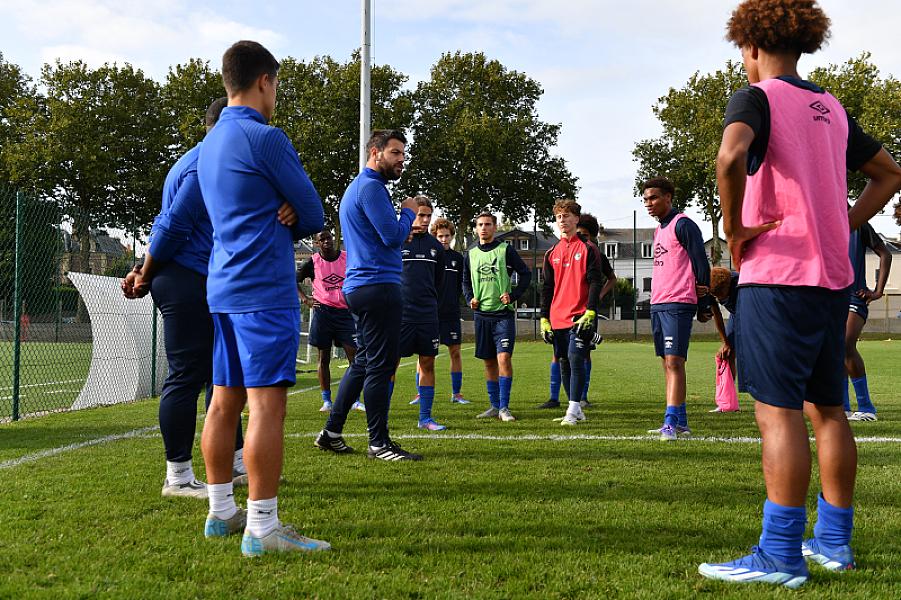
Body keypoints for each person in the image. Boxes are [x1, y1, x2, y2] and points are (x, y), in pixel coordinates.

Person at [698, 0, 901, 587]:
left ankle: (780, 553)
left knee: (778, 414)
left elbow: (730, 155)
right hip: (832, 284)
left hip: (777, 280)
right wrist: (843, 223)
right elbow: (889, 174)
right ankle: (835, 543)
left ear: (752, 47)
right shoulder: (831, 107)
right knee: (829, 412)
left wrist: (733, 229)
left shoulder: (755, 98)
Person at [196, 40, 328, 557]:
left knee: (222, 403)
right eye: (277, 85)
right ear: (264, 81)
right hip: (262, 290)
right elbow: (314, 213)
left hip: (221, 286)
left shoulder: (205, 147)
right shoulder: (266, 138)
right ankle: (263, 527)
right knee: (266, 408)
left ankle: (219, 511)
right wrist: (291, 208)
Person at [121, 98, 251, 499]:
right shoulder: (201, 165)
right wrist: (147, 270)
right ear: (221, 125)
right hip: (185, 279)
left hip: (198, 278)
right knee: (186, 376)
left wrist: (146, 269)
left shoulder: (200, 160)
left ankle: (236, 462)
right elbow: (173, 225)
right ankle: (177, 477)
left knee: (221, 373)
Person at [316, 129, 422, 461]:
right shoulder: (371, 188)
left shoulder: (358, 188)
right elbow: (392, 237)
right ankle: (379, 443)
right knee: (380, 366)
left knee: (363, 362)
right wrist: (408, 212)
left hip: (363, 285)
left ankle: (331, 433)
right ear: (375, 153)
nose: (401, 159)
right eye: (395, 153)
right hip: (377, 286)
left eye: (403, 153)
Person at [644, 176, 711, 441]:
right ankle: (680, 422)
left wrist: (704, 303)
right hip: (658, 302)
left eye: (654, 198)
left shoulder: (683, 224)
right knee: (666, 362)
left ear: (669, 197)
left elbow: (700, 264)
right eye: (646, 199)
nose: (649, 204)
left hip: (678, 301)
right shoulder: (659, 230)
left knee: (675, 361)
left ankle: (670, 423)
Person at [462, 211, 531, 422]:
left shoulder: (505, 250)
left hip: (503, 316)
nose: (484, 228)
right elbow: (465, 281)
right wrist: (469, 298)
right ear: (476, 228)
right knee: (489, 362)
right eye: (480, 224)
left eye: (488, 224)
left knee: (504, 358)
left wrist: (513, 295)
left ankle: (504, 407)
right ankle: (494, 406)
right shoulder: (471, 254)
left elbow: (526, 274)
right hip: (482, 316)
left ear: (495, 227)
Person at [539, 200, 604, 425]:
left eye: (567, 216)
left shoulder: (588, 248)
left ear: (576, 219)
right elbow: (547, 288)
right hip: (557, 318)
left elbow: (596, 281)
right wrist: (544, 318)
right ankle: (575, 408)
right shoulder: (551, 253)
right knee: (564, 362)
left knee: (577, 359)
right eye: (559, 217)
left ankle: (572, 411)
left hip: (580, 315)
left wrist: (591, 311)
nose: (562, 220)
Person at [296, 229, 363, 415]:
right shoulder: (312, 262)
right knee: (323, 358)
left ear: (333, 239)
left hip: (345, 313)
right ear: (316, 244)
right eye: (322, 239)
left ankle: (355, 400)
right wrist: (306, 299)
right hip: (323, 313)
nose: (326, 241)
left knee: (355, 359)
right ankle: (327, 400)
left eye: (328, 238)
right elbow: (294, 280)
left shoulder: (347, 257)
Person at [398, 196, 447, 430]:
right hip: (400, 315)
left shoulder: (436, 247)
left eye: (428, 215)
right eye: (421, 215)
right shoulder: (397, 242)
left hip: (427, 315)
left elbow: (438, 283)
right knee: (389, 365)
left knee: (427, 364)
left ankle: (425, 418)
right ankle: (381, 420)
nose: (425, 220)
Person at [843, 211, 892, 421]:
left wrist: (877, 291)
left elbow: (885, 253)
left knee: (844, 344)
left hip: (855, 297)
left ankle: (866, 407)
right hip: (829, 298)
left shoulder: (859, 223)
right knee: (833, 351)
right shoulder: (819, 222)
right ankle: (842, 407)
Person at [432, 217, 468, 404]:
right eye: (440, 236)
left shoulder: (458, 259)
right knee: (426, 354)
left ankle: (456, 394)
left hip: (451, 314)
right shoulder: (430, 257)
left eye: (447, 236)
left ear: (452, 236)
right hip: (431, 314)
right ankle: (420, 393)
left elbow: (463, 286)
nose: (444, 239)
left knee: (455, 352)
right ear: (435, 237)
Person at [704, 266, 740, 412]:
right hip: (736, 314)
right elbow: (717, 314)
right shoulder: (709, 287)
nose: (719, 299)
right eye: (716, 296)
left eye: (722, 296)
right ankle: (727, 403)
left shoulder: (742, 285)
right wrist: (725, 342)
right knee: (727, 354)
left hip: (755, 314)